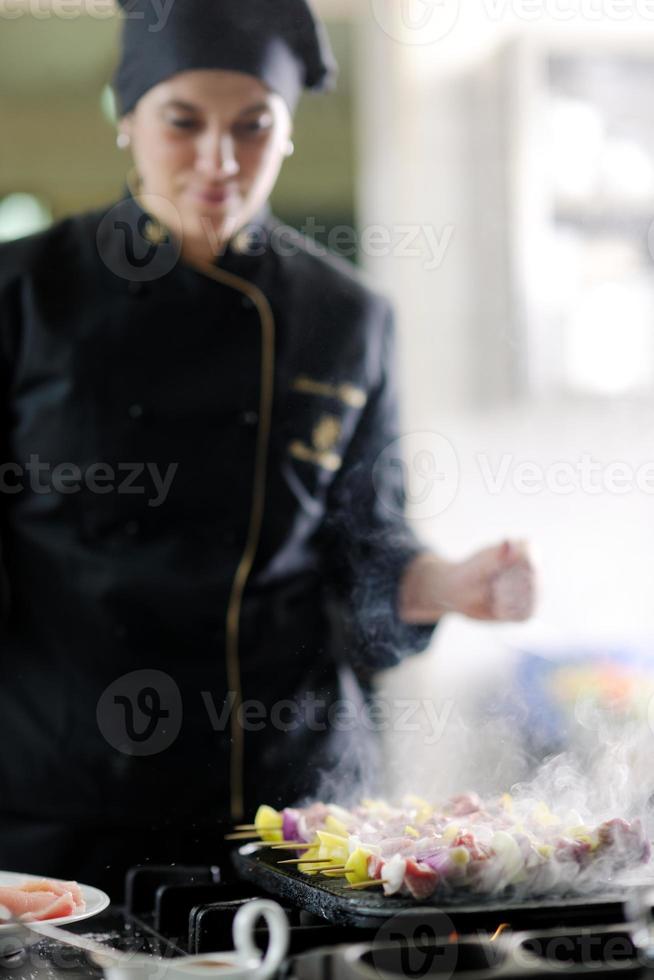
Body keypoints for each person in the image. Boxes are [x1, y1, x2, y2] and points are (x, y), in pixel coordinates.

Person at [0, 0, 535, 900]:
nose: (219, 159)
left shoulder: (347, 316)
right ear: (127, 120)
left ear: (286, 134)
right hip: (63, 793)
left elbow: (368, 543)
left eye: (253, 126)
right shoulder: (23, 291)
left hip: (285, 804)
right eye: (183, 122)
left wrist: (443, 582)